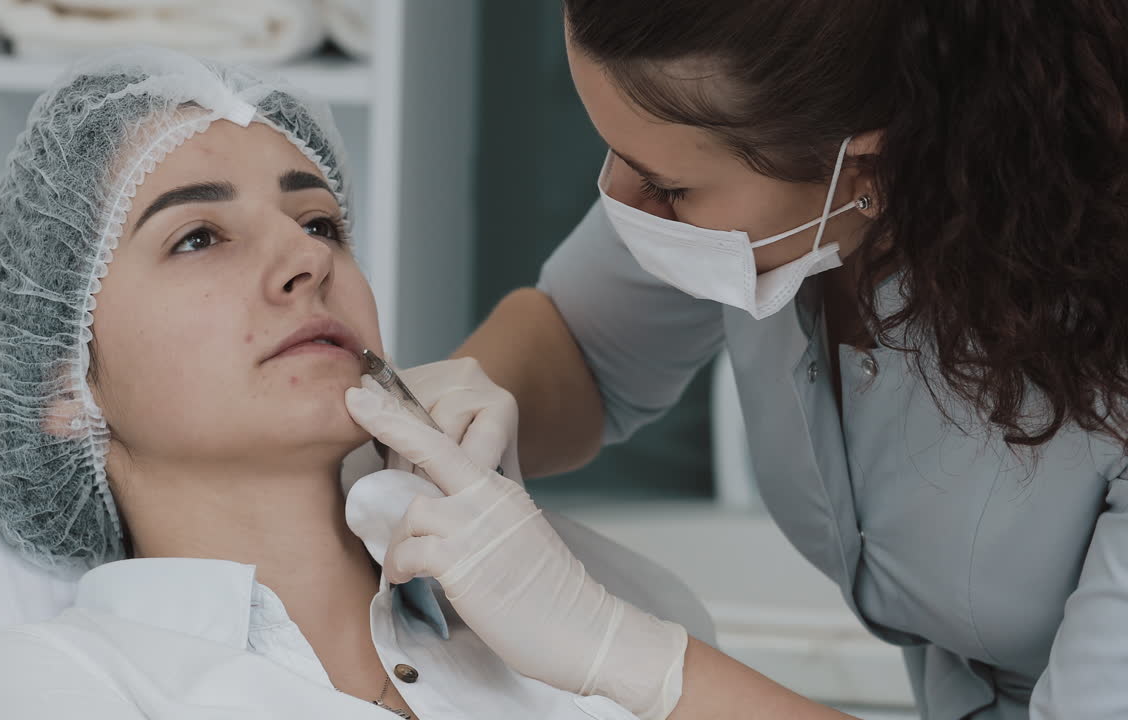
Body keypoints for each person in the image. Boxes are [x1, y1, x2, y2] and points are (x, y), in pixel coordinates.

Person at [346, 1, 1128, 718]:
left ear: (869, 169)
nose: (621, 202)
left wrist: (632, 659)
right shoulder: (777, 182)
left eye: (665, 186)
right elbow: (581, 347)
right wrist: (433, 437)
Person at [0, 47, 650, 720]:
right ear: (64, 383)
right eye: (199, 238)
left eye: (322, 222)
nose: (306, 255)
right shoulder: (50, 684)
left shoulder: (570, 622)